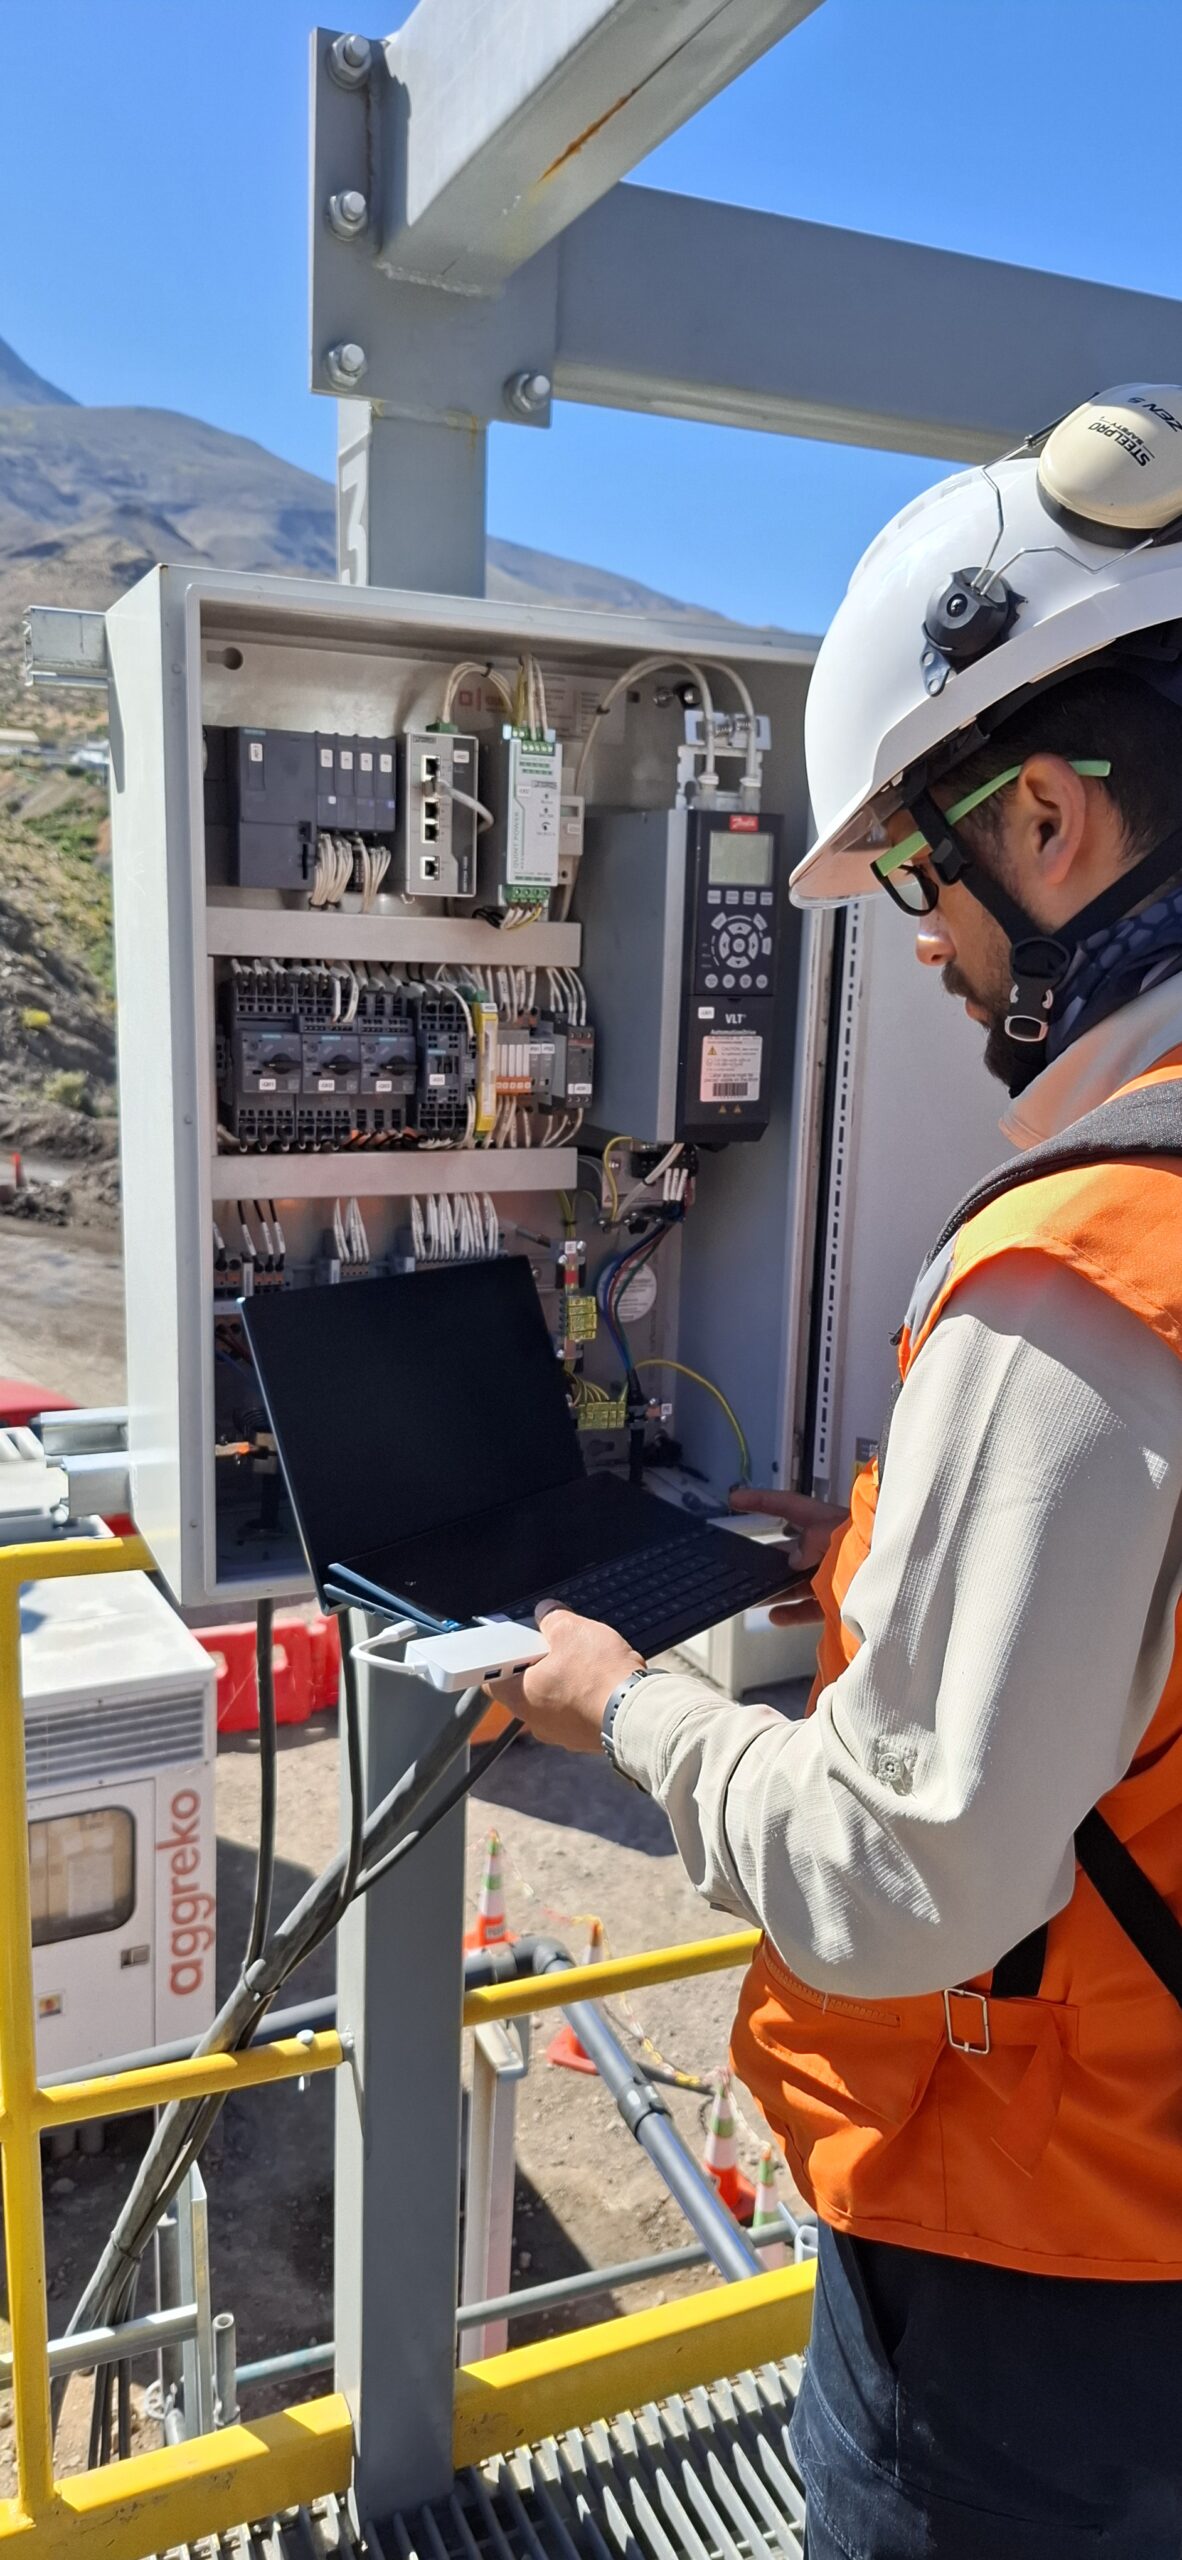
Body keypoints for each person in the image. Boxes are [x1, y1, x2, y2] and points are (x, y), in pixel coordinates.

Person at [491, 387, 1182, 2558]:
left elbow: (912, 1877)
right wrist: (873, 1547)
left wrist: (638, 1714)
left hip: (1044, 2293)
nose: (907, 933)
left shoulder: (1084, 1262)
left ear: (1052, 818)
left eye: (914, 865)